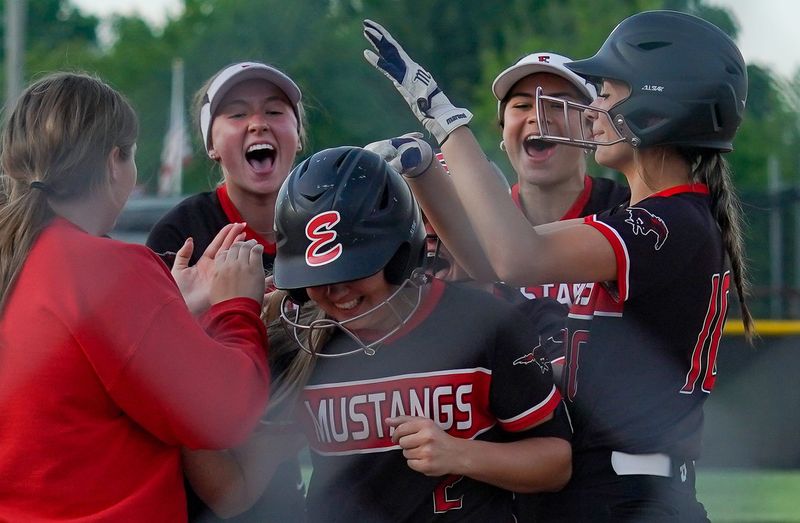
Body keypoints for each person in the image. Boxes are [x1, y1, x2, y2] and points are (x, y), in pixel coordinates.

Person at [363, 10, 753, 521]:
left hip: (625, 494)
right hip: (598, 492)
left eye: (609, 93)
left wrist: (447, 121)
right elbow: (487, 260)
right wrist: (425, 172)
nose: (594, 110)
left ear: (660, 108)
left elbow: (516, 257)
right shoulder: (659, 217)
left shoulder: (669, 222)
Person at [184, 146, 572, 522]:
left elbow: (555, 463)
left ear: (401, 254)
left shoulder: (484, 324)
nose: (337, 292)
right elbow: (234, 494)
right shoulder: (303, 341)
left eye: (354, 271)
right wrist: (172, 362)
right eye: (318, 278)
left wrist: (460, 455)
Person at [0, 72, 270, 521]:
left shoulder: (19, 258)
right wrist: (236, 305)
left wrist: (172, 309)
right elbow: (223, 413)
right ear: (112, 162)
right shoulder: (105, 267)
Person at [146, 61, 308, 522]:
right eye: (236, 114)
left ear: (298, 134)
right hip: (202, 477)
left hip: (296, 476)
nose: (257, 122)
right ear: (212, 146)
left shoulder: (326, 221)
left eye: (275, 111)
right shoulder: (184, 233)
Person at [491, 52, 629, 306]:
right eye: (522, 106)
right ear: (503, 128)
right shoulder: (482, 221)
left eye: (557, 105)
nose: (538, 117)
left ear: (592, 127)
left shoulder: (627, 212)